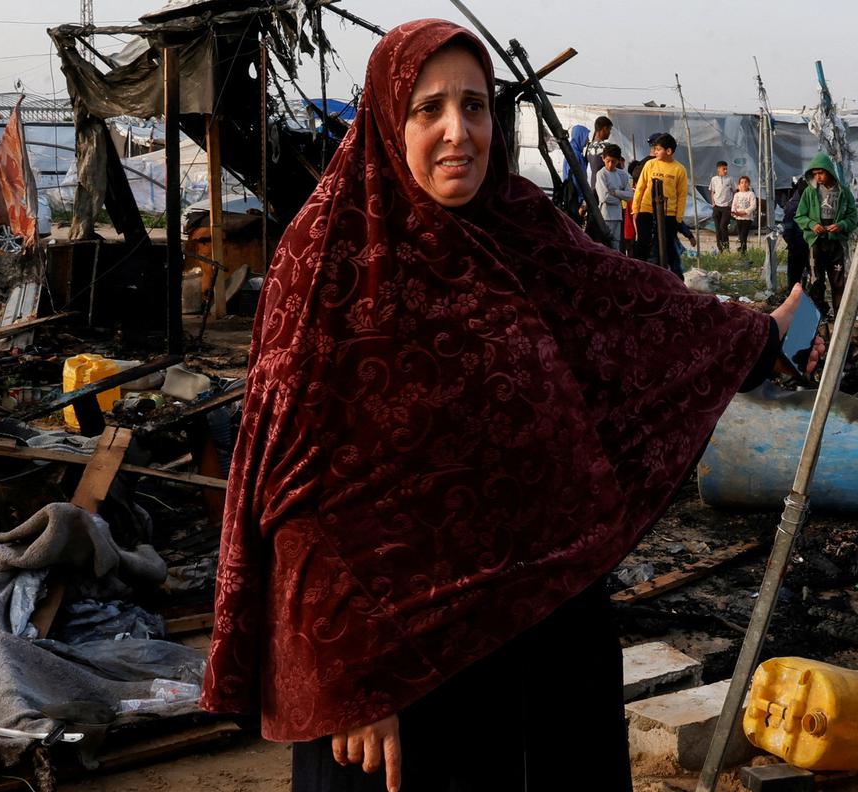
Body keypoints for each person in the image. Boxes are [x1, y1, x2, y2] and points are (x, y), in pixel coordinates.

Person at [202, 20, 822, 792]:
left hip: (547, 620)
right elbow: (294, 497)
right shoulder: (327, 265)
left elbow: (636, 317)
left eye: (475, 105)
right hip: (400, 664)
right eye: (429, 109)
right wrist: (352, 682)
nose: (458, 132)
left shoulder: (522, 230)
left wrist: (759, 334)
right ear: (387, 122)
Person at [794, 153, 858, 311]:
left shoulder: (843, 193)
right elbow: (800, 215)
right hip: (816, 242)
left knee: (838, 282)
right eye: (815, 174)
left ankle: (839, 320)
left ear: (829, 171)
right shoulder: (810, 192)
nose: (818, 177)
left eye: (821, 173)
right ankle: (819, 321)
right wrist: (811, 224)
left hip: (836, 243)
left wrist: (842, 225)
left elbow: (853, 217)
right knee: (816, 281)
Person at [631, 133, 688, 277]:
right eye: (654, 149)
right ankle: (638, 274)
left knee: (668, 245)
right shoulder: (650, 164)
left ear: (668, 151)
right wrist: (635, 209)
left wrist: (678, 218)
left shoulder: (679, 169)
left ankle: (676, 277)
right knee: (643, 243)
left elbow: (682, 195)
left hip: (668, 213)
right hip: (646, 209)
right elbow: (641, 187)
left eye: (658, 149)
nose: (655, 152)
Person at [594, 143, 633, 250]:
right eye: (608, 161)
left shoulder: (623, 175)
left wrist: (616, 192)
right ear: (603, 158)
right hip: (605, 215)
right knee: (605, 244)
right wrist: (620, 197)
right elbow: (604, 197)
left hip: (618, 215)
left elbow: (630, 196)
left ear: (618, 161)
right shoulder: (601, 174)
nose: (610, 164)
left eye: (614, 162)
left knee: (616, 244)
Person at [781, 176, 809, 291]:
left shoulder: (795, 201)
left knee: (796, 277)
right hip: (798, 244)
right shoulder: (795, 204)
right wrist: (791, 243)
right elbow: (788, 227)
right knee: (795, 278)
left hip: (802, 244)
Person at [709, 160, 736, 252]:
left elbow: (734, 191)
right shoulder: (714, 179)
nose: (725, 171)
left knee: (723, 226)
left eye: (726, 169)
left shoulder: (730, 179)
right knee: (717, 229)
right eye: (723, 169)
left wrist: (732, 204)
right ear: (718, 169)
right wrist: (713, 203)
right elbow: (712, 192)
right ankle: (720, 248)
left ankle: (726, 247)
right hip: (717, 207)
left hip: (726, 207)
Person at [731, 175, 757, 255]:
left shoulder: (751, 194)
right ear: (739, 184)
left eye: (746, 182)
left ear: (749, 184)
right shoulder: (737, 195)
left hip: (747, 218)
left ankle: (743, 250)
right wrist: (734, 212)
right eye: (742, 182)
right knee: (740, 234)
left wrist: (745, 212)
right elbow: (733, 205)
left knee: (744, 234)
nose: (744, 184)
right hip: (738, 217)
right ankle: (743, 248)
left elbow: (753, 206)